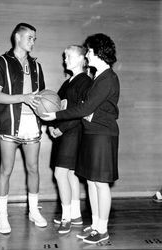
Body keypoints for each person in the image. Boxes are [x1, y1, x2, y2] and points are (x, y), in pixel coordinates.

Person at [42, 33, 120, 244]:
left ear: (97, 52)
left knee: (101, 184)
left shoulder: (108, 77)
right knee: (93, 182)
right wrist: (87, 113)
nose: (87, 54)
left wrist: (55, 116)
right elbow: (90, 108)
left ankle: (102, 229)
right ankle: (95, 225)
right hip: (93, 133)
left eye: (89, 51)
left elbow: (87, 107)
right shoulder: (99, 76)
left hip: (104, 134)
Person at [0, 23, 47, 234]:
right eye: (30, 37)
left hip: (32, 123)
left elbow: (41, 99)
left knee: (33, 169)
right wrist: (24, 98)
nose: (33, 41)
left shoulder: (37, 66)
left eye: (34, 38)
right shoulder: (1, 62)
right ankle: (3, 217)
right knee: (6, 170)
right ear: (17, 37)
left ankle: (33, 211)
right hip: (10, 122)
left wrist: (51, 112)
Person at [49, 45, 92, 234]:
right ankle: (75, 215)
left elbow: (81, 113)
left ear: (83, 59)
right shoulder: (68, 82)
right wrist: (51, 122)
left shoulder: (85, 82)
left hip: (73, 133)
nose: (65, 59)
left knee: (60, 174)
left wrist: (60, 127)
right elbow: (57, 105)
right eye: (65, 56)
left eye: (69, 56)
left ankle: (66, 217)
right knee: (71, 175)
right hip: (64, 132)